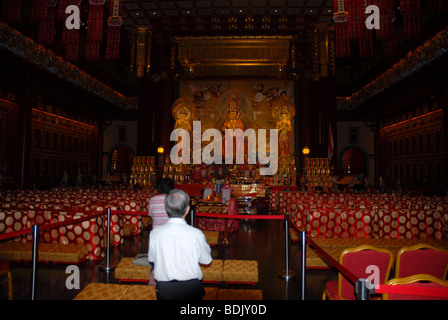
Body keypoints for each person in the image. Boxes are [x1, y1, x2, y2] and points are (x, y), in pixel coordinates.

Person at [148, 189, 212, 300]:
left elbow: (152, 259)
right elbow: (206, 260)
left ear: (166, 209)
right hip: (191, 287)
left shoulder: (155, 233)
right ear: (187, 209)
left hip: (165, 289)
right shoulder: (196, 234)